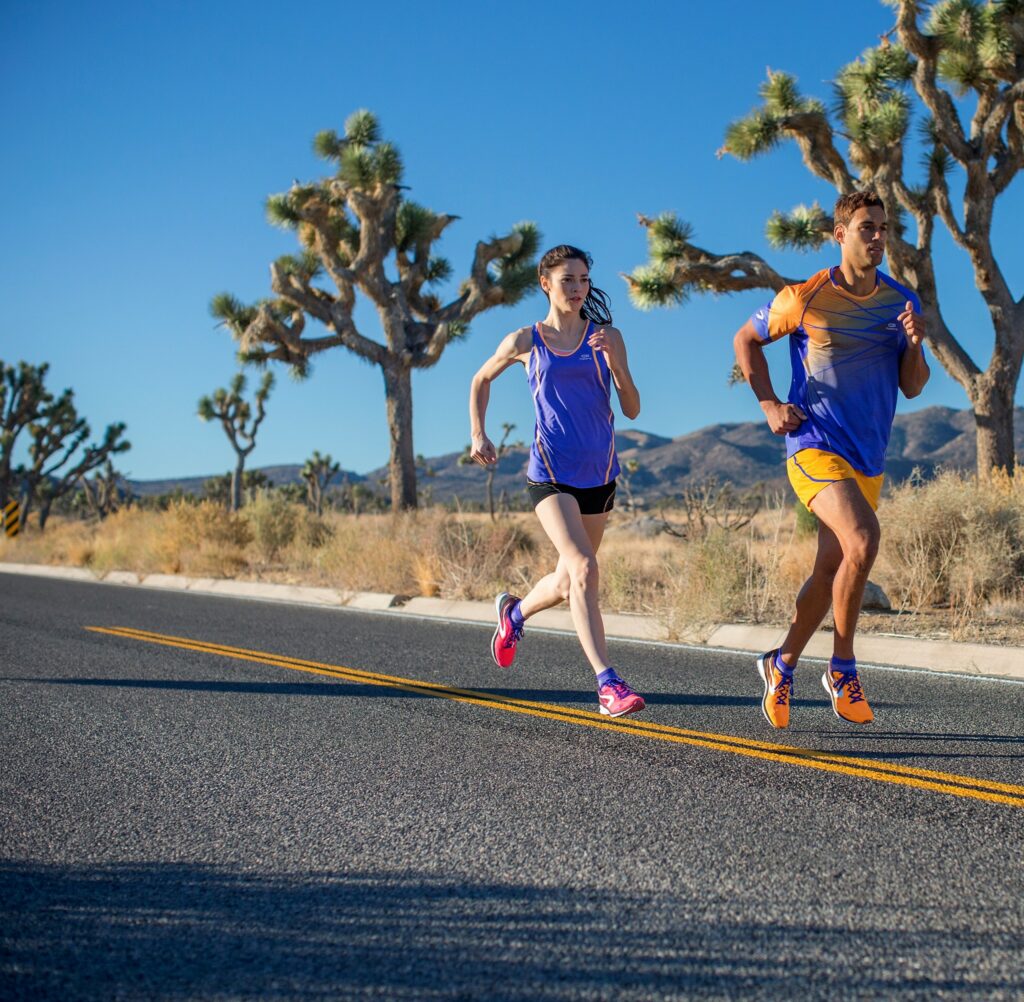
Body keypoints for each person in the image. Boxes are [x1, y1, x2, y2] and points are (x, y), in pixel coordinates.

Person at [733, 190, 930, 729]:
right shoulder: (806, 296)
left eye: (884, 228)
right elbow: (746, 339)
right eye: (867, 227)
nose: (877, 237)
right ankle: (842, 668)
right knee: (863, 539)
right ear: (839, 234)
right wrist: (770, 403)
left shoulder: (900, 303)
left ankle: (781, 662)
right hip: (814, 446)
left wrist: (914, 345)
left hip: (868, 457)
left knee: (830, 568)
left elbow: (913, 387)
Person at [468, 244, 645, 717]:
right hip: (550, 474)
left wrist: (618, 365)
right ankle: (608, 684)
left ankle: (515, 614)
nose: (577, 288)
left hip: (600, 473)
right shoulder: (527, 341)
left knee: (570, 580)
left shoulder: (606, 336)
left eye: (584, 279)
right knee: (586, 569)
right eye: (567, 279)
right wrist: (478, 432)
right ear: (546, 283)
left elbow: (631, 408)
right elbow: (481, 379)